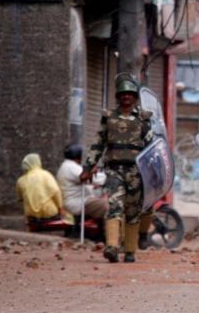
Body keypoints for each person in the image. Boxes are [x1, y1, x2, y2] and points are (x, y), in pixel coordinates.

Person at [81, 73, 153, 263]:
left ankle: (130, 251)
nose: (126, 96)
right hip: (114, 170)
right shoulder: (109, 118)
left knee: (132, 211)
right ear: (118, 96)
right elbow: (98, 144)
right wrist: (88, 167)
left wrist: (153, 175)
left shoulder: (144, 119)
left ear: (135, 96)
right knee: (114, 206)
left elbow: (152, 147)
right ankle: (112, 246)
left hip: (136, 172)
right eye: (123, 93)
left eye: (129, 93)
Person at [56, 144, 108, 220]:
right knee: (108, 204)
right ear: (79, 156)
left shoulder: (66, 166)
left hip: (76, 201)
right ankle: (108, 230)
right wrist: (110, 176)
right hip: (77, 202)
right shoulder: (71, 167)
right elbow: (96, 179)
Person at [16, 153, 63, 226]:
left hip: (31, 217)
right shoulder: (45, 175)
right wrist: (60, 208)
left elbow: (21, 198)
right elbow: (56, 192)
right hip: (49, 214)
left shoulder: (20, 180)